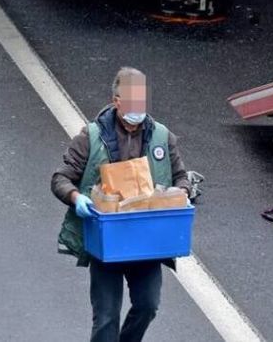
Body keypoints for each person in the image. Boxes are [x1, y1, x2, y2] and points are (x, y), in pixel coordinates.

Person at [53, 67, 191, 342]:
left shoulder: (162, 137)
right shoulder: (90, 137)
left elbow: (181, 176)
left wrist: (181, 192)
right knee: (106, 318)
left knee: (148, 306)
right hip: (108, 243)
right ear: (116, 101)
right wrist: (76, 198)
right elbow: (61, 178)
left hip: (145, 242)